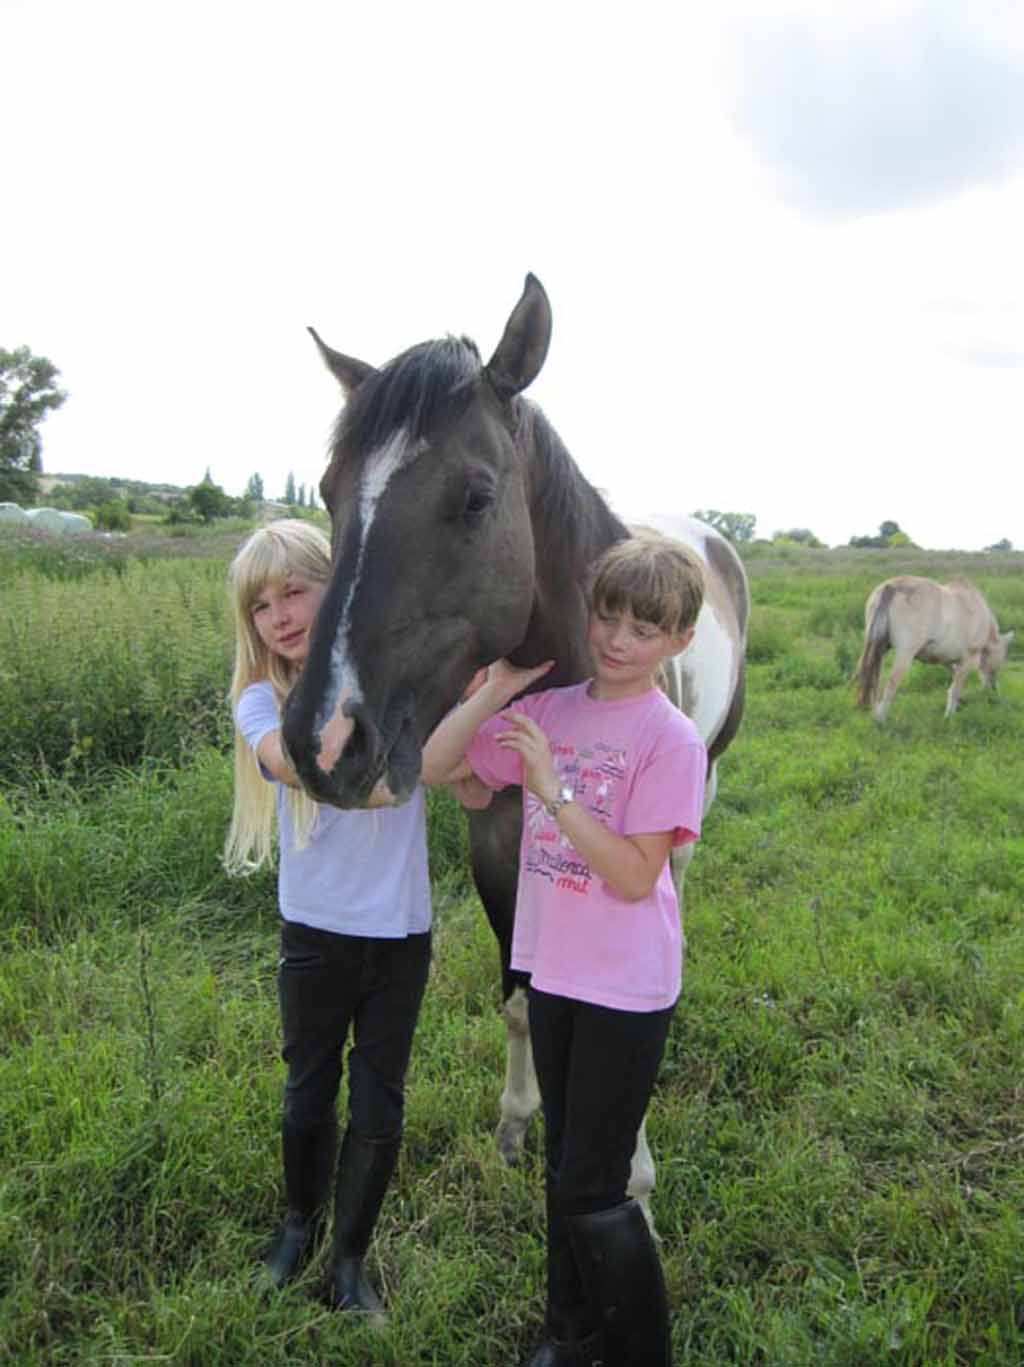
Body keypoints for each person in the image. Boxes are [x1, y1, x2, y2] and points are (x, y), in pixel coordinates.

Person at [422, 533, 708, 1367]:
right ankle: (567, 1336)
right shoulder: (552, 711)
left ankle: (638, 1351)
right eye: (609, 615)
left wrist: (554, 790)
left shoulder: (671, 738)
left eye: (645, 629)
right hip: (553, 973)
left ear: (680, 641)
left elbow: (631, 873)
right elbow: (441, 764)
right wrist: (499, 692)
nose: (619, 639)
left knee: (595, 1181)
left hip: (627, 987)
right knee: (561, 1167)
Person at [223, 519, 432, 1317]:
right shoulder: (260, 699)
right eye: (261, 606)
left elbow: (446, 756)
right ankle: (296, 1224)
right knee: (308, 1088)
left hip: (400, 932)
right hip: (313, 931)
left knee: (381, 1099)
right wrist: (398, 777)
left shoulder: (391, 678)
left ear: (336, 584)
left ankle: (349, 1259)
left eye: (294, 591)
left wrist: (492, 691)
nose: (278, 615)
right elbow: (297, 765)